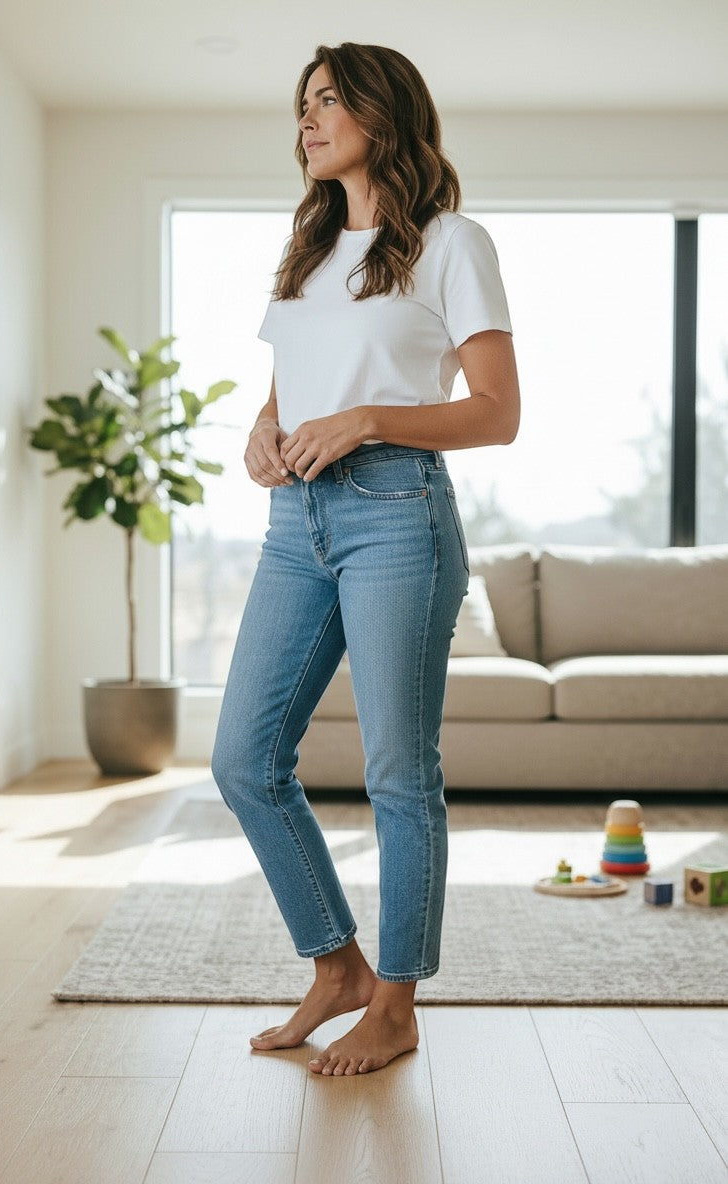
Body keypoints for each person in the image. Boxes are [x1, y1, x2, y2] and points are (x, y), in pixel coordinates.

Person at [211, 41, 520, 1077]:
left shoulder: (448, 242)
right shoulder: (303, 253)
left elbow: (496, 412)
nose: (304, 121)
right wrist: (264, 430)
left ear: (382, 114)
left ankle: (394, 1003)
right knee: (244, 760)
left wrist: (364, 421)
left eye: (327, 102)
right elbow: (290, 384)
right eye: (300, 106)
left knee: (397, 769)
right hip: (294, 524)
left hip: (397, 511)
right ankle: (336, 965)